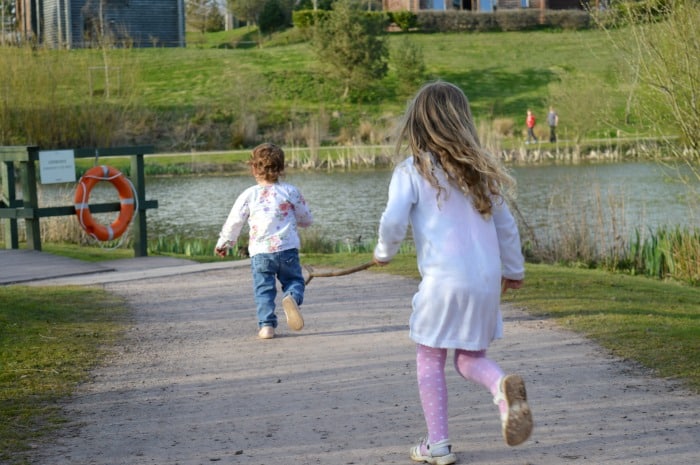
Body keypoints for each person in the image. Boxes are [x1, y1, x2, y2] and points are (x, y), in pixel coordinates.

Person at [373, 81, 532, 464]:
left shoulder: (412, 170)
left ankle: (438, 444)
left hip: (443, 283)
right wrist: (513, 269)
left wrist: (384, 251)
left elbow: (393, 219)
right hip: (484, 284)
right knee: (468, 359)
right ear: (463, 122)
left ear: (417, 123)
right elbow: (506, 226)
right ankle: (500, 388)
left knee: (430, 358)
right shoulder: (480, 172)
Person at [215, 143, 313, 340]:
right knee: (294, 281)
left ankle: (266, 326)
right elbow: (306, 219)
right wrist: (299, 222)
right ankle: (291, 298)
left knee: (264, 289)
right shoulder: (291, 192)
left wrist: (224, 243)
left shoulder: (249, 195)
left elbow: (234, 221)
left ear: (253, 168)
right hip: (287, 250)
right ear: (282, 168)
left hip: (261, 253)